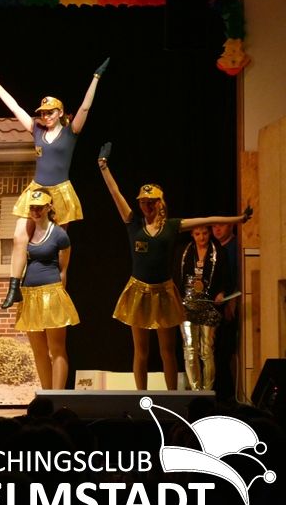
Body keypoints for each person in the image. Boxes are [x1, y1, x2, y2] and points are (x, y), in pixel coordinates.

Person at [97, 142, 252, 390]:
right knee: (141, 352)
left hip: (164, 292)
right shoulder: (133, 222)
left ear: (160, 203)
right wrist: (103, 166)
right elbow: (116, 193)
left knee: (167, 351)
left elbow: (208, 219)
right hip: (138, 291)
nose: (146, 206)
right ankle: (141, 397)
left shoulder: (172, 226)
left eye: (150, 202)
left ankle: (171, 398)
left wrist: (239, 219)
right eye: (143, 202)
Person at [0, 58, 109, 308]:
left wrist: (96, 78)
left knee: (57, 248)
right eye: (42, 113)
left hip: (60, 193)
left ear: (60, 112)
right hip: (36, 190)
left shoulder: (71, 132)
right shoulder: (36, 131)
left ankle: (59, 294)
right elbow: (15, 108)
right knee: (19, 236)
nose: (45, 116)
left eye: (50, 112)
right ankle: (14, 287)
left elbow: (85, 108)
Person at [13, 188, 79, 390]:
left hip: (52, 294)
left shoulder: (59, 234)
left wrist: (61, 298)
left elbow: (63, 270)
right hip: (30, 296)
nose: (35, 211)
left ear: (49, 207)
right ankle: (47, 396)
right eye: (32, 207)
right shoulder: (27, 232)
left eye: (39, 207)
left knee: (56, 349)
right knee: (39, 351)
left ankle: (58, 397)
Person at [174, 225, 230, 391]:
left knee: (206, 350)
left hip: (209, 304)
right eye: (197, 234)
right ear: (192, 234)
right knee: (190, 349)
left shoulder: (219, 252)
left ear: (209, 233)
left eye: (205, 233)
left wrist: (222, 292)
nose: (202, 237)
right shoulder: (183, 252)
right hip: (187, 305)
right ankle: (195, 391)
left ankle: (207, 391)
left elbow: (226, 277)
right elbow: (176, 277)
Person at [211, 222, 241, 401]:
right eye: (214, 226)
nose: (217, 229)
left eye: (222, 225)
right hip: (216, 307)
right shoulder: (214, 248)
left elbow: (238, 277)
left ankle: (228, 398)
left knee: (224, 354)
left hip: (230, 304)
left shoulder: (235, 247)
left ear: (231, 226)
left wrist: (232, 301)